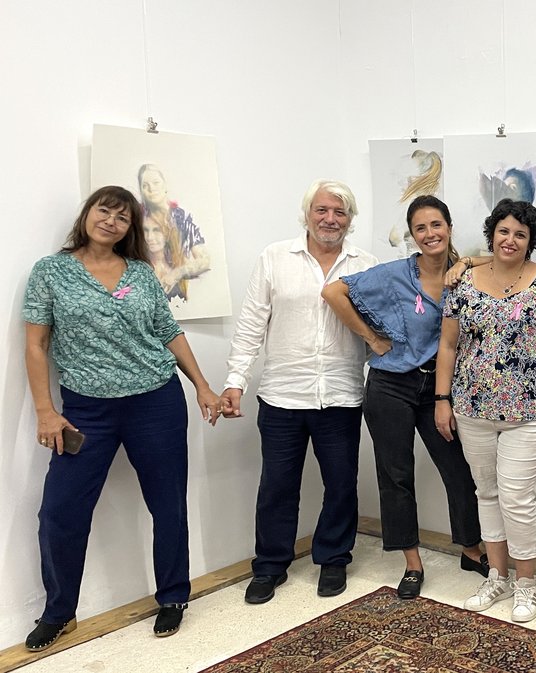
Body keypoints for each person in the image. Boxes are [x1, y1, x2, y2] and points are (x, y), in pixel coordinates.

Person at [22, 186, 222, 650]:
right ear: (88, 214)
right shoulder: (51, 271)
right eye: (104, 210)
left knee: (168, 504)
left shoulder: (140, 273)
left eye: (122, 217)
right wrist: (45, 411)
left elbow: (168, 331)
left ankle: (173, 596)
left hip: (156, 401)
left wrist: (203, 386)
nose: (111, 221)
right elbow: (36, 345)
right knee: (60, 511)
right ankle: (59, 611)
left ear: (131, 229)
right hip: (86, 410)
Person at [322, 195, 489, 599]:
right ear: (412, 236)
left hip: (440, 389)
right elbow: (333, 292)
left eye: (437, 225)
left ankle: (470, 547)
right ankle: (412, 562)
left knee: (459, 469)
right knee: (396, 475)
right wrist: (371, 338)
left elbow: (501, 258)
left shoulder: (467, 273)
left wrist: (464, 262)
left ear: (449, 227)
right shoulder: (395, 274)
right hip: (390, 385)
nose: (430, 234)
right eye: (421, 228)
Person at [220, 179, 378, 604]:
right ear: (307, 214)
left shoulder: (367, 264)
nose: (330, 219)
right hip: (282, 395)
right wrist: (235, 380)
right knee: (277, 485)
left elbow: (378, 330)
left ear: (350, 219)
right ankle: (270, 566)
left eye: (340, 212)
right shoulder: (275, 258)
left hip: (341, 396)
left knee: (342, 483)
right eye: (322, 210)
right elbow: (252, 324)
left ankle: (333, 558)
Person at [435, 198, 536, 623]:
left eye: (520, 233)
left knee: (517, 497)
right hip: (472, 407)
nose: (511, 239)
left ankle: (526, 583)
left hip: (532, 412)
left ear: (531, 240)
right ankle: (496, 576)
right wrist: (442, 400)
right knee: (487, 494)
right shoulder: (463, 282)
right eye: (504, 231)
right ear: (491, 234)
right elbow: (448, 345)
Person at [138, 164, 211, 299]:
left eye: (156, 183)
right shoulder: (136, 217)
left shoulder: (181, 218)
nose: (151, 189)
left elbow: (204, 259)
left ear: (165, 186)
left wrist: (177, 273)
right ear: (141, 190)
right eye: (145, 185)